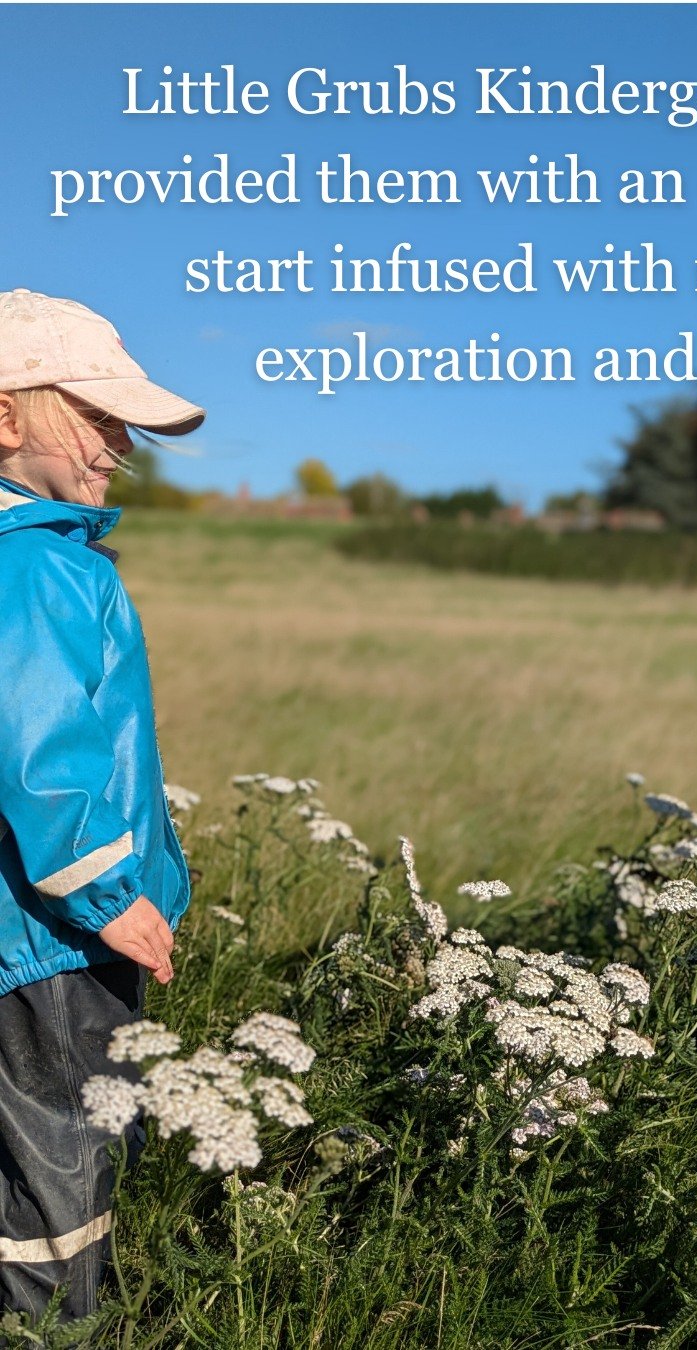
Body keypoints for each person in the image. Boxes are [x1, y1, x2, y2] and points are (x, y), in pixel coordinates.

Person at [0, 289, 203, 1323]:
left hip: (35, 937)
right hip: (55, 940)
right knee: (63, 1168)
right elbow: (38, 748)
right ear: (4, 419)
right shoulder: (35, 565)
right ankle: (54, 1332)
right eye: (95, 413)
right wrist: (111, 894)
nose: (121, 440)